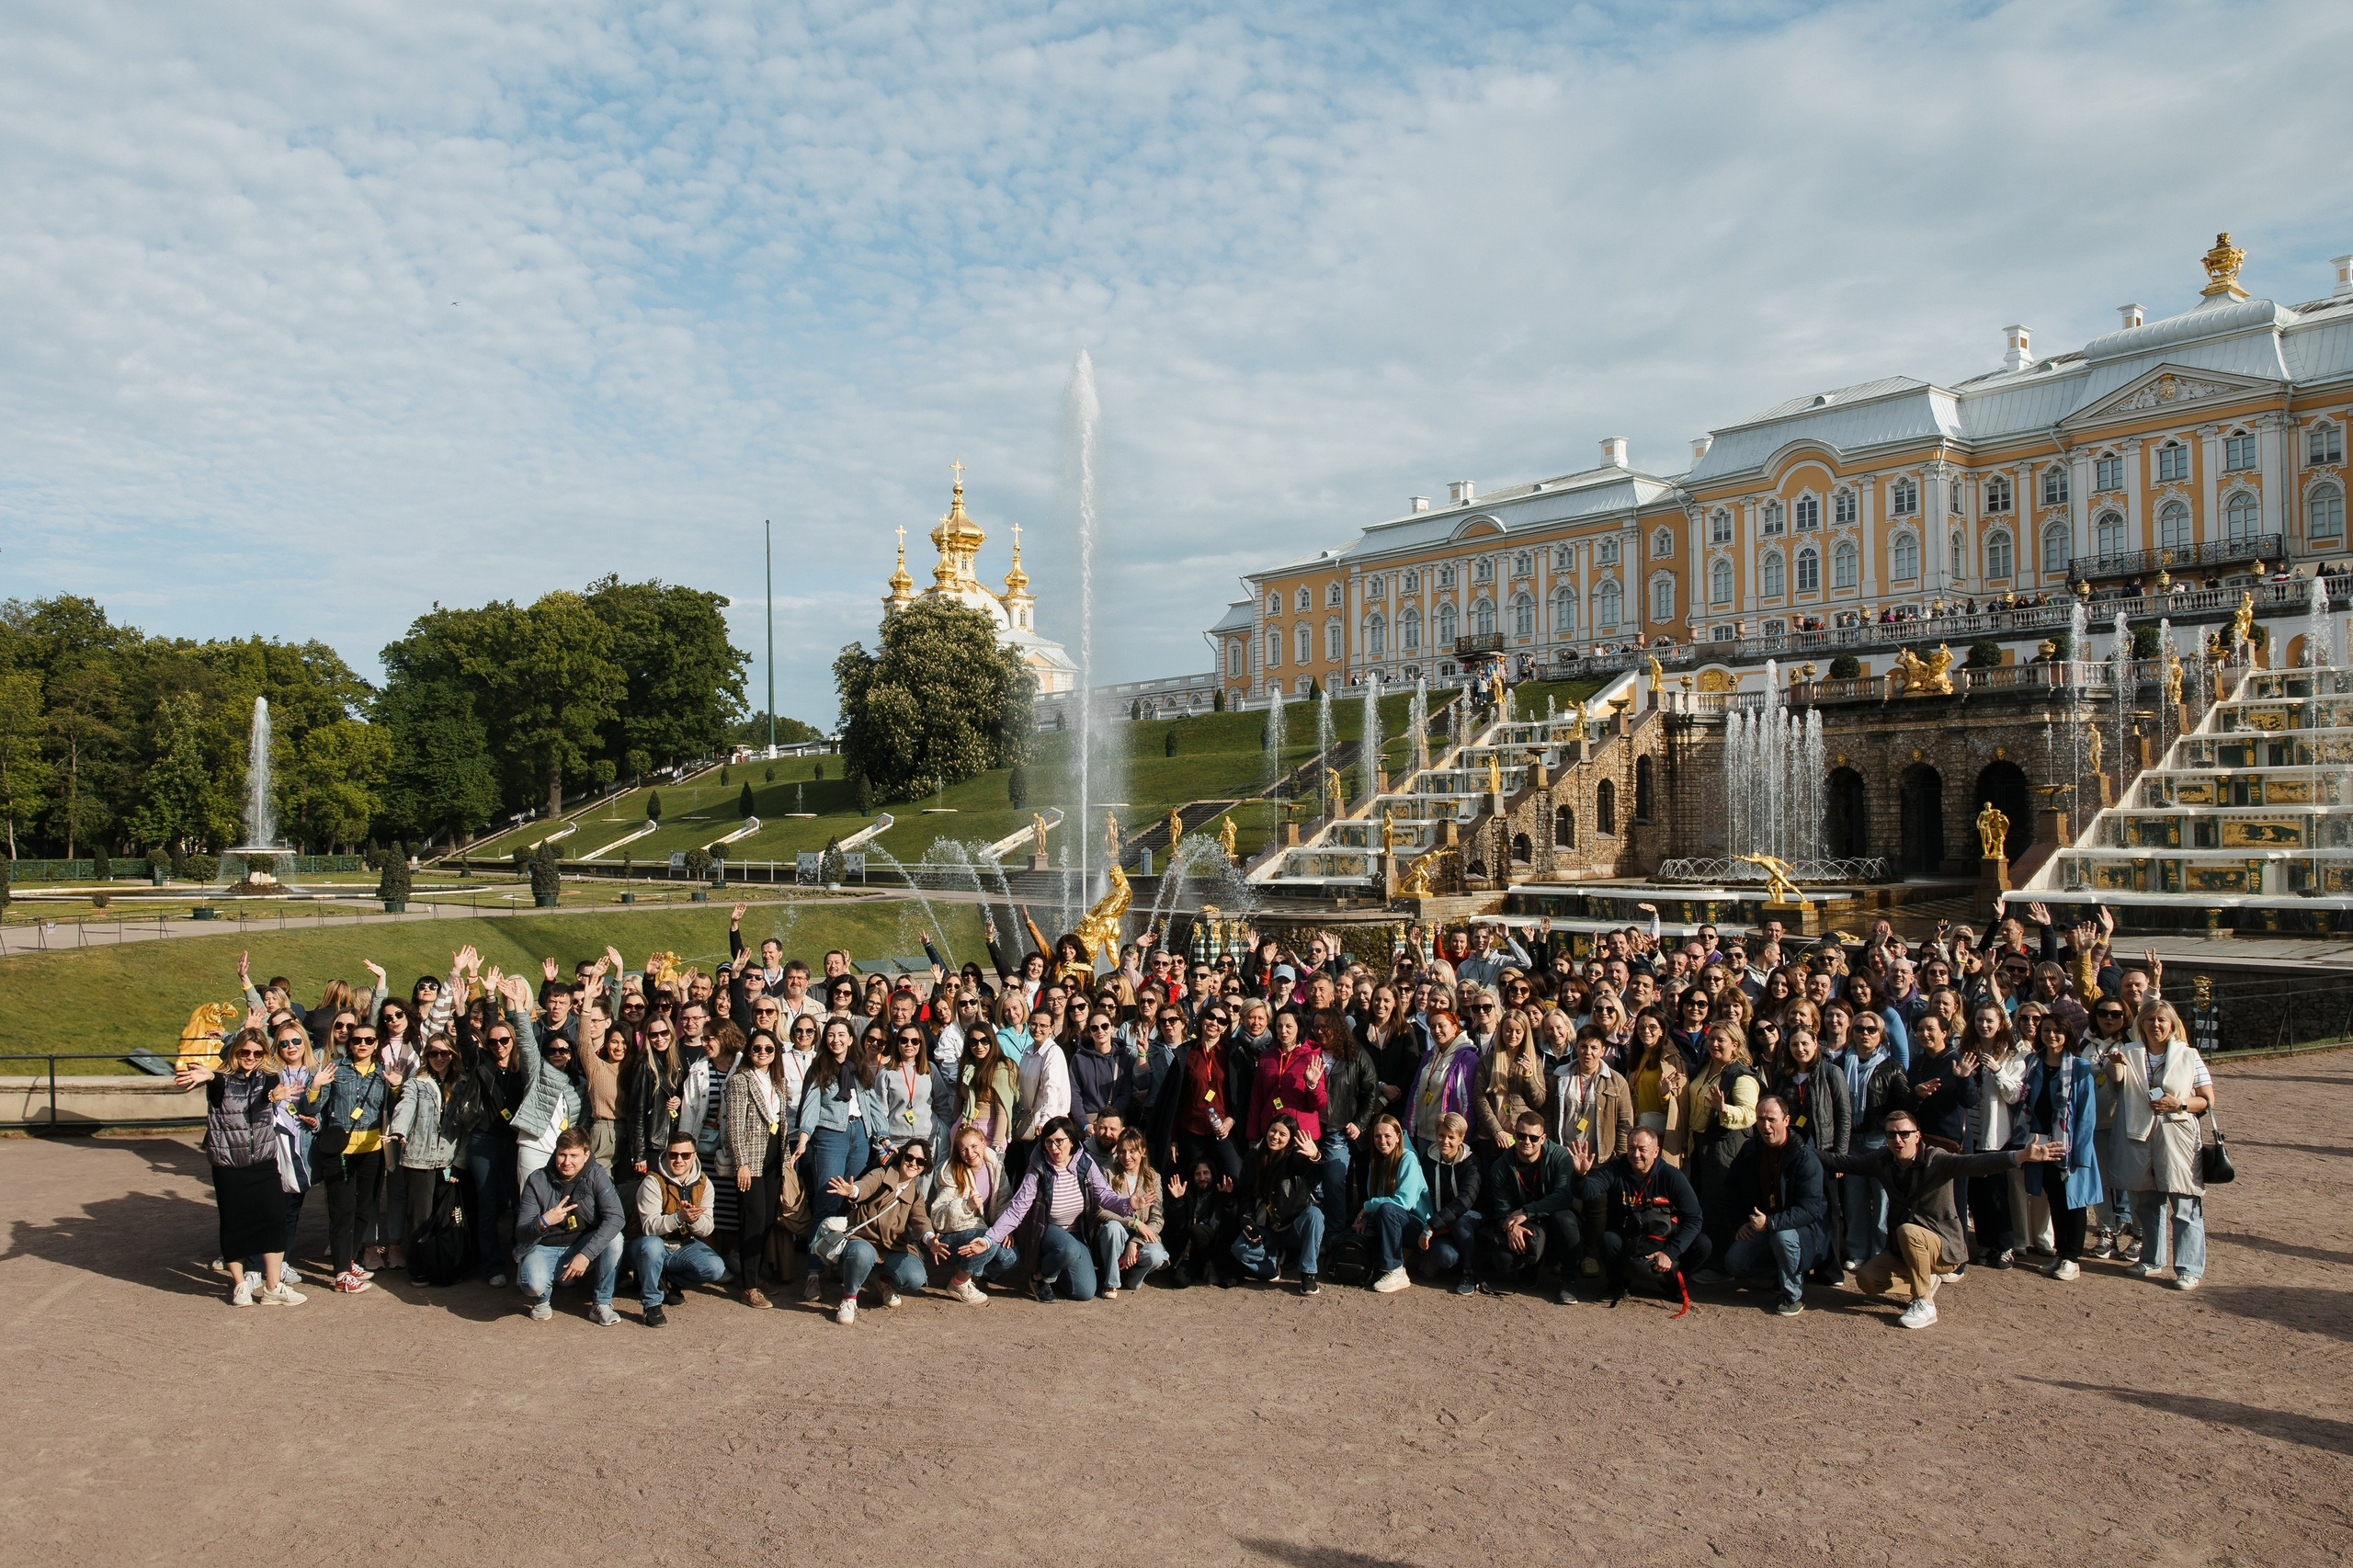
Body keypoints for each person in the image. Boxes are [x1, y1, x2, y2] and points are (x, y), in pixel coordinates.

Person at [1820, 1108, 2061, 1328]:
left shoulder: (1937, 1159)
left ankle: (1925, 1303)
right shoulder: (1882, 1159)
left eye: (1905, 1133)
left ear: (1918, 1136)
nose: (1898, 1140)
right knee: (1867, 1280)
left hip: (1942, 1246)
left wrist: (2019, 1157)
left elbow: (1975, 1163)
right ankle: (1925, 1281)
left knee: (1908, 1231)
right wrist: (1794, 1146)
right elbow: (1842, 1162)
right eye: (1891, 1134)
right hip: (1904, 1249)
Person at [176, 1027, 306, 1307]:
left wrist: (273, 1097)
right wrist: (209, 1074)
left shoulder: (270, 1078)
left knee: (273, 1220)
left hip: (263, 1161)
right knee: (234, 1224)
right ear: (235, 1052)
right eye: (245, 1052)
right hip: (229, 1164)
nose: (251, 1057)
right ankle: (240, 1285)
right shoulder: (222, 1080)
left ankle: (273, 1287)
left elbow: (266, 1098)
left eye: (257, 1052)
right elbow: (219, 1083)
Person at [2105, 999, 2213, 1290]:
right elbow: (2116, 1086)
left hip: (2178, 1136)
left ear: (2172, 1025)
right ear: (2142, 1025)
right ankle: (2151, 1259)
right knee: (2144, 1202)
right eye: (2150, 1020)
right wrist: (2115, 1067)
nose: (2156, 1025)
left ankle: (2189, 1268)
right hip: (2138, 1136)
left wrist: (2179, 1102)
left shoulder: (2189, 1056)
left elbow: (2206, 1099)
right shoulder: (2127, 1052)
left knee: (2185, 1203)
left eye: (2162, 1020)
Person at [974, 1116, 1134, 1302]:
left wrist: (1128, 1204)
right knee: (1069, 1250)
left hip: (1076, 1231)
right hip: (1045, 1230)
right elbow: (1016, 1210)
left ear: (1072, 1141)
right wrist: (989, 1239)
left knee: (1084, 1292)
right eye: (1048, 1142)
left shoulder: (1086, 1164)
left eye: (1059, 1141)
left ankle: (1055, 1270)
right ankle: (1039, 1277)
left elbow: (1105, 1196)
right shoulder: (1037, 1171)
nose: (1054, 1148)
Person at [302, 1006, 399, 1294]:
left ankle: (349, 1258)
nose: (362, 1045)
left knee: (365, 1209)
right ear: (349, 1042)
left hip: (372, 1149)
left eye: (369, 1040)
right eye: (357, 1040)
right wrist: (315, 1087)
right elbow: (314, 1108)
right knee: (342, 1210)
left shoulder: (383, 1073)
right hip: (341, 1148)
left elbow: (393, 1111)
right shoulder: (335, 1068)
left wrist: (397, 1088)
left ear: (376, 1044)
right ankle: (341, 1273)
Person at [1717, 1097, 1831, 1315]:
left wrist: (1770, 1223)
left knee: (1782, 1236)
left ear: (1786, 1120)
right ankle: (1778, 1272)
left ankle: (1793, 1295)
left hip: (1801, 1230)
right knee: (1735, 1263)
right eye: (1760, 1119)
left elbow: (1810, 1210)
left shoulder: (1804, 1157)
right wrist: (1741, 1221)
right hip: (1761, 1224)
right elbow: (1731, 1187)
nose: (1766, 1126)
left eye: (1772, 1119)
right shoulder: (1751, 1149)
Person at [1571, 1128, 1706, 1306]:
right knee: (1608, 1240)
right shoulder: (1615, 1169)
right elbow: (1588, 1192)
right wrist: (1581, 1176)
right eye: (1631, 1148)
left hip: (1662, 1240)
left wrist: (1670, 1252)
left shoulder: (1672, 1176)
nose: (1636, 1155)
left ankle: (1671, 1283)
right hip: (1628, 1239)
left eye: (1642, 1149)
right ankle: (1617, 1285)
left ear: (1656, 1152)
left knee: (1702, 1245)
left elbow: (1694, 1219)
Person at [513, 1127, 628, 1324]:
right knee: (534, 1284)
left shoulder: (596, 1174)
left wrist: (586, 1255)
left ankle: (602, 1304)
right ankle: (541, 1300)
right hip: (544, 1247)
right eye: (562, 1155)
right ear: (555, 1153)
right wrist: (543, 1222)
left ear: (586, 1155)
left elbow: (616, 1217)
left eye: (573, 1155)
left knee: (615, 1239)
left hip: (581, 1245)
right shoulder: (537, 1179)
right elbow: (521, 1232)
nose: (567, 1162)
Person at [2021, 1014, 2101, 1281]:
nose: (2051, 1035)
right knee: (2054, 1197)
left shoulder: (2080, 1068)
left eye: (2057, 1030)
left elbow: (2087, 1114)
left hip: (2069, 1144)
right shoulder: (2032, 1063)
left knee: (2073, 1201)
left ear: (2067, 1034)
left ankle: (2072, 1257)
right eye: (2046, 1030)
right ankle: (2060, 1251)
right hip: (2040, 1142)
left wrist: (2080, 1152)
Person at [385, 1031, 469, 1284]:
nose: (439, 1057)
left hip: (448, 1160)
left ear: (453, 1054)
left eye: (444, 1053)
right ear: (426, 1056)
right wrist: (398, 1130)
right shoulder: (416, 1083)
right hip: (419, 1159)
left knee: (445, 1218)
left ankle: (443, 1265)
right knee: (420, 1217)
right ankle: (419, 1267)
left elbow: (467, 1129)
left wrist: (460, 1163)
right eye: (433, 1053)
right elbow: (405, 1107)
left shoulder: (463, 1084)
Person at [824, 1140, 936, 1325]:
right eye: (909, 1157)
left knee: (916, 1277)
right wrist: (852, 1191)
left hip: (891, 1247)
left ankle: (884, 1281)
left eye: (920, 1161)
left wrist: (931, 1239)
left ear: (925, 1167)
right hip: (863, 1239)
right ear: (901, 1157)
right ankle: (849, 1298)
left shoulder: (915, 1194)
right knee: (861, 1254)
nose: (913, 1163)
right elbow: (864, 1186)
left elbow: (920, 1221)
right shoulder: (882, 1174)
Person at [1479, 1110, 1584, 1303]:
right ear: (1514, 1135)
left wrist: (1527, 1211)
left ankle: (1568, 1280)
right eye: (1521, 1135)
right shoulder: (1501, 1166)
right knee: (1503, 1261)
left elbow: (1564, 1196)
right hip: (1523, 1225)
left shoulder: (1559, 1156)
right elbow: (1501, 1208)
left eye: (1534, 1138)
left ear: (1543, 1138)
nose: (1527, 1141)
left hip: (1552, 1218)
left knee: (1566, 1219)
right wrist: (1511, 1227)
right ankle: (1530, 1268)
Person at [722, 1028, 791, 1307]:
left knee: (765, 1220)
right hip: (751, 1156)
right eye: (757, 1048)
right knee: (753, 1218)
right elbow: (734, 1126)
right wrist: (742, 1163)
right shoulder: (740, 1080)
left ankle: (755, 1273)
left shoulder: (778, 1081)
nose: (762, 1053)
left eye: (768, 1049)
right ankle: (748, 1285)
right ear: (748, 1052)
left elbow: (782, 1123)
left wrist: (785, 1161)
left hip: (773, 1153)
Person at [630, 1132, 725, 1325]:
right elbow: (649, 1227)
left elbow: (706, 1229)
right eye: (673, 1155)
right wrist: (678, 1217)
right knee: (653, 1246)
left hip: (680, 1245)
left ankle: (670, 1281)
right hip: (643, 1245)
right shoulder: (652, 1181)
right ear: (666, 1154)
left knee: (716, 1268)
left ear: (695, 1155)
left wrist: (693, 1220)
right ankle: (651, 1305)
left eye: (685, 1155)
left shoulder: (704, 1183)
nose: (679, 1160)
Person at [1232, 1113, 1325, 1295]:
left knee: (1315, 1214)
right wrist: (1248, 1223)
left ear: (1291, 1139)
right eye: (1273, 1131)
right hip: (1268, 1230)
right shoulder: (1253, 1157)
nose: (1275, 1136)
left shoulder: (1295, 1157)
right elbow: (1245, 1197)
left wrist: (1315, 1155)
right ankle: (1272, 1265)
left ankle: (1308, 1275)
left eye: (1282, 1134)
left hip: (1294, 1228)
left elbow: (1311, 1169)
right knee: (1239, 1249)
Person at [1351, 1113, 1431, 1293]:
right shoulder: (1376, 1160)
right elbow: (1375, 1199)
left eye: (1387, 1136)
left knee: (1388, 1209)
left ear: (1398, 1137)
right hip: (1389, 1222)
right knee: (1359, 1232)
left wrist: (1369, 1206)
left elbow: (1404, 1202)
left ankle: (1396, 1270)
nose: (1382, 1140)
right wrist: (1364, 1220)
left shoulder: (1408, 1158)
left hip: (1414, 1226)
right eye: (1377, 1136)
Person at [1094, 1126, 1168, 1296]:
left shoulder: (1153, 1177)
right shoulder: (1108, 1172)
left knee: (1157, 1255)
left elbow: (1157, 1218)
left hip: (1139, 1236)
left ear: (1143, 1151)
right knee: (1113, 1228)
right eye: (1121, 1152)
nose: (1126, 1157)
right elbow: (1099, 1211)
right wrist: (1132, 1222)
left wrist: (1136, 1241)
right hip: (1115, 1234)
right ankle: (1111, 1282)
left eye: (1132, 1151)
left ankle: (1132, 1277)